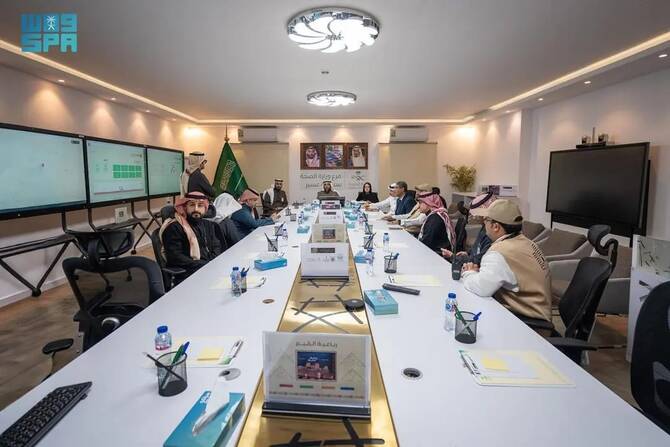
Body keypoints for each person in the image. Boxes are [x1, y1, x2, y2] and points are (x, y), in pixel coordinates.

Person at [461, 199, 552, 323]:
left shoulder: (499, 252)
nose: (484, 223)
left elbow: (482, 288)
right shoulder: (526, 242)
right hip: (537, 312)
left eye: (486, 220)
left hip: (528, 322)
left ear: (496, 226)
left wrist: (468, 272)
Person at [159, 192, 225, 284]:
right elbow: (175, 257)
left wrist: (213, 263)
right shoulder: (174, 227)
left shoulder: (208, 225)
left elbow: (216, 246)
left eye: (200, 205)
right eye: (192, 205)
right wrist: (205, 265)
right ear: (185, 207)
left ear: (205, 208)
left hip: (210, 269)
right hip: (188, 274)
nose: (196, 209)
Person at [441, 192, 495, 264]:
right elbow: (477, 247)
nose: (473, 216)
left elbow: (479, 260)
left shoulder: (492, 232)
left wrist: (453, 257)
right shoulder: (484, 227)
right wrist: (468, 253)